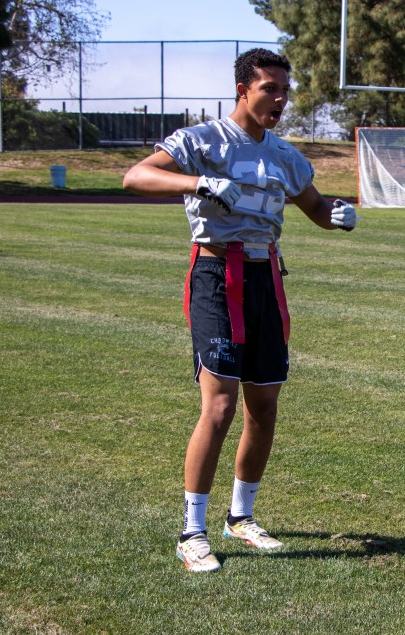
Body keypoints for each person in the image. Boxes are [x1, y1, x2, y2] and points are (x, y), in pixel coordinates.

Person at [122, 48, 358, 573]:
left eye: (284, 91)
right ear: (242, 91)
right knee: (220, 405)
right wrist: (200, 182)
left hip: (266, 278)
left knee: (264, 404)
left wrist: (337, 215)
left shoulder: (286, 155)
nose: (279, 100)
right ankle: (192, 530)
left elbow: (314, 207)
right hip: (215, 275)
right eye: (269, 89)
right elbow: (135, 176)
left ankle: (241, 517)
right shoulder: (202, 140)